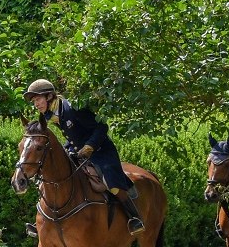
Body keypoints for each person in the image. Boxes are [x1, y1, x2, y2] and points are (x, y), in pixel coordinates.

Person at [23, 79, 144, 235]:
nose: (36, 104)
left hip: (101, 150)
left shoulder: (72, 108)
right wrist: (68, 148)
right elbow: (74, 136)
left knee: (110, 182)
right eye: (33, 101)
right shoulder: (53, 113)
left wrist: (89, 146)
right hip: (79, 151)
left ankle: (134, 217)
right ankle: (44, 220)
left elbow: (102, 127)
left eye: (38, 99)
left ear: (49, 96)